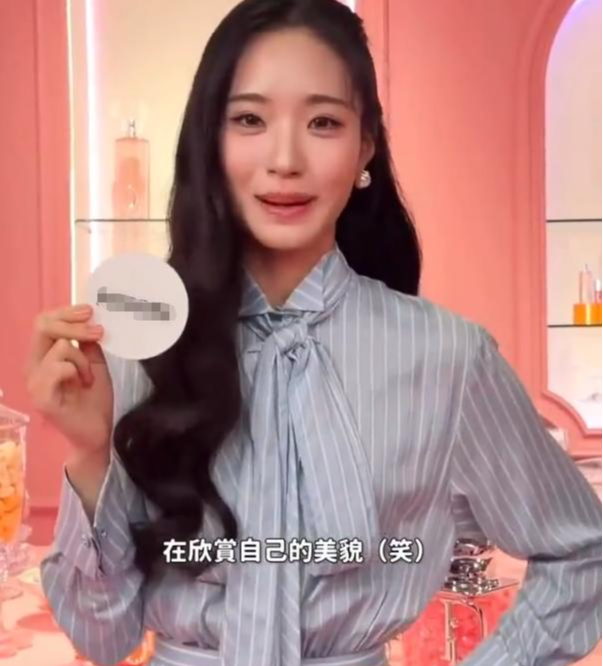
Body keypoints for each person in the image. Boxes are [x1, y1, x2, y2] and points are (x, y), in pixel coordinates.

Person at [25, 1, 601, 665]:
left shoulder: (446, 357)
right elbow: (103, 638)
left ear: (365, 147)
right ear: (210, 142)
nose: (285, 159)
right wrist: (90, 452)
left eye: (323, 122)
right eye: (249, 120)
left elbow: (581, 550)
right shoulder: (141, 347)